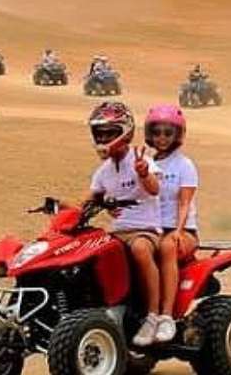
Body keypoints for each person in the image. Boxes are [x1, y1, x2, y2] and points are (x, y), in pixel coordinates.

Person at [84, 102, 164, 346]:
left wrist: (143, 173)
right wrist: (59, 208)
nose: (103, 138)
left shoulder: (143, 162)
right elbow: (87, 202)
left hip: (146, 230)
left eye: (109, 132)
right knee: (91, 252)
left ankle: (153, 317)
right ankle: (110, 306)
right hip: (117, 233)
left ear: (125, 132)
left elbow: (154, 188)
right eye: (100, 133)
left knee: (140, 250)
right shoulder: (102, 172)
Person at [144, 104, 199, 344]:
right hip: (153, 228)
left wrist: (178, 230)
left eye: (168, 133)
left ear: (177, 135)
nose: (162, 138)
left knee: (167, 247)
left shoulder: (184, 165)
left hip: (183, 230)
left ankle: (166, 316)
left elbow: (184, 202)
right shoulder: (146, 163)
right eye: (157, 133)